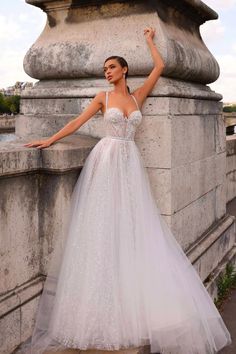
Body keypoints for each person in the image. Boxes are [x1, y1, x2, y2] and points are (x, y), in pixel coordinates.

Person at [19, 27, 232, 354]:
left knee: (131, 227)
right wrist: (50, 140)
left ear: (124, 70)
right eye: (105, 69)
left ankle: (128, 294)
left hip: (129, 161)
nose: (107, 72)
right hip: (106, 160)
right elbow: (78, 123)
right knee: (102, 226)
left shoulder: (136, 97)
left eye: (111, 67)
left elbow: (159, 68)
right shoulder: (102, 98)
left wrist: (149, 41)